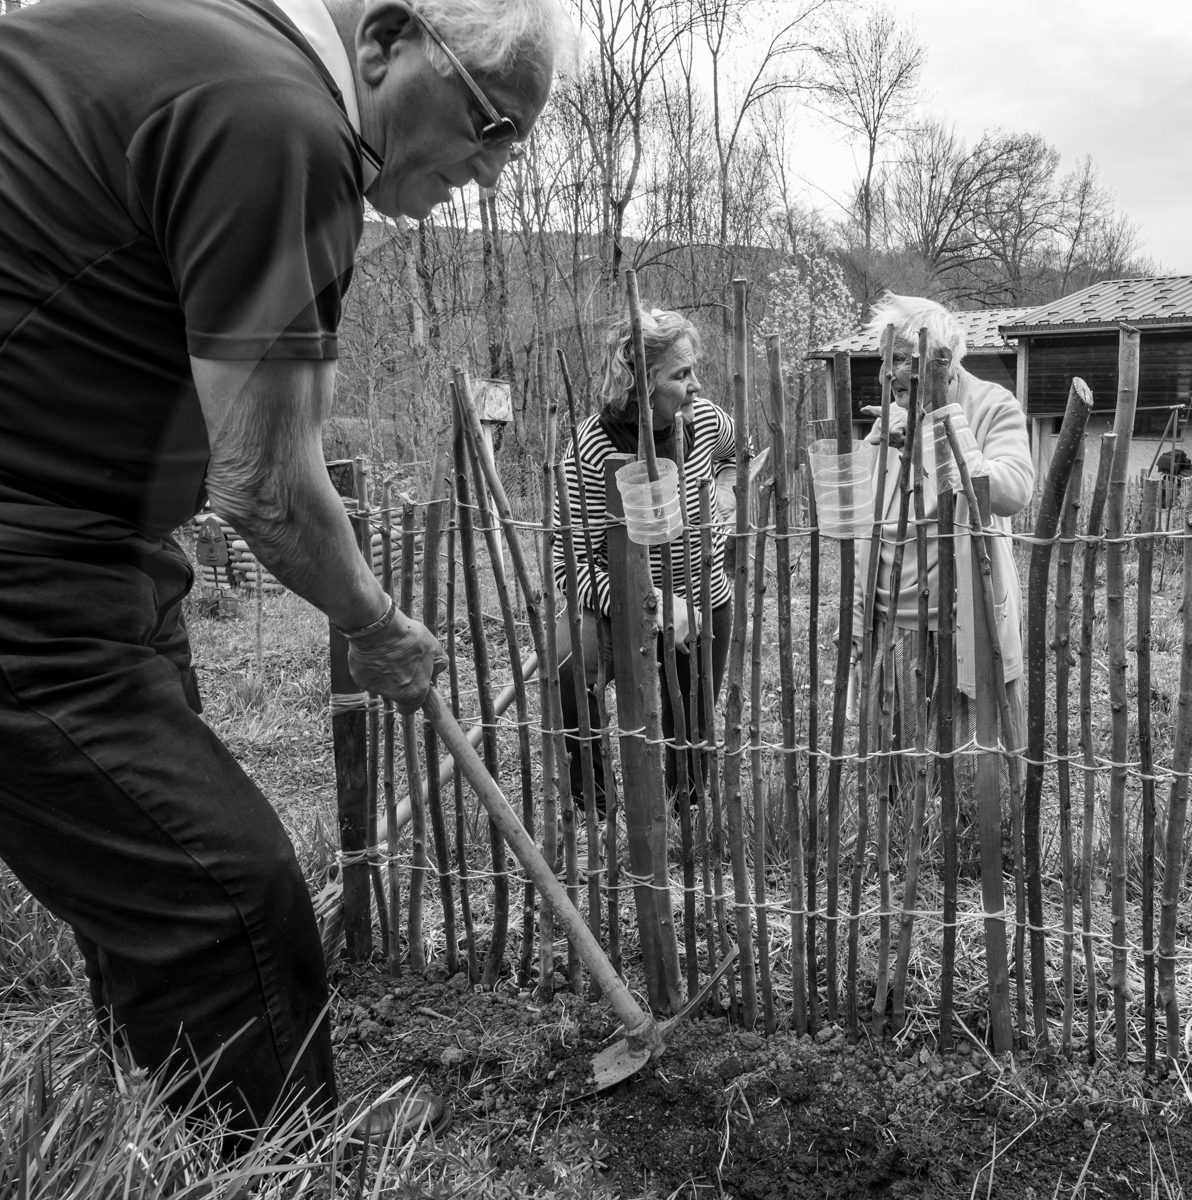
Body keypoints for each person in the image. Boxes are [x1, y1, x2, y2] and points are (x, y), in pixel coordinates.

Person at [0, 0, 569, 1145]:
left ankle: (153, 1143)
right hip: (26, 552)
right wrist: (377, 622)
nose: (495, 171)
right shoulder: (282, 124)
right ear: (388, 42)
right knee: (228, 906)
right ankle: (277, 1173)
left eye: (514, 143)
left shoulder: (224, 57)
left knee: (160, 891)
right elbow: (263, 480)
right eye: (487, 123)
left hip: (99, 540)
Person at [553, 308, 738, 815]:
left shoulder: (703, 421)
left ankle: (687, 816)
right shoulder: (591, 447)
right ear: (640, 382)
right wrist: (654, 601)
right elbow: (568, 564)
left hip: (701, 602)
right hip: (620, 608)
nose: (697, 386)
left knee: (692, 734)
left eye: (693, 370)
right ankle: (594, 807)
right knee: (569, 664)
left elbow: (735, 447)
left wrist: (722, 488)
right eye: (682, 375)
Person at [852, 293, 1034, 805]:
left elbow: (1012, 490)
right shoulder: (893, 411)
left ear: (941, 362)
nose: (887, 376)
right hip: (892, 614)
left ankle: (979, 831)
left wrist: (943, 424)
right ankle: (905, 825)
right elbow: (875, 501)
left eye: (900, 362)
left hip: (962, 613)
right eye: (885, 361)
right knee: (899, 749)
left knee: (970, 744)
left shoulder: (992, 404)